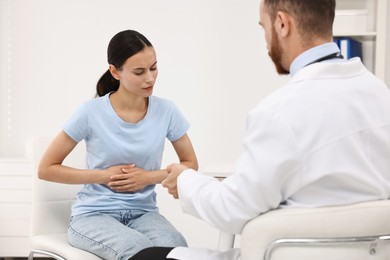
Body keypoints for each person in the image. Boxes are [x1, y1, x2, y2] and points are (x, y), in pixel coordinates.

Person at [161, 0, 390, 259]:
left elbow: (232, 211)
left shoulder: (280, 112)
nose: (266, 41)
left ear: (282, 23)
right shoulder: (380, 93)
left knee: (149, 255)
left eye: (264, 28)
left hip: (292, 254)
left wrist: (185, 181)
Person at [38, 29, 198, 260]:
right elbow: (46, 168)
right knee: (138, 249)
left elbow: (191, 163)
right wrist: (103, 176)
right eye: (139, 72)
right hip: (92, 216)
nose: (150, 78)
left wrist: (148, 177)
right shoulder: (89, 112)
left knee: (177, 249)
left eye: (153, 68)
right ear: (115, 71)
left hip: (144, 213)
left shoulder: (167, 111)